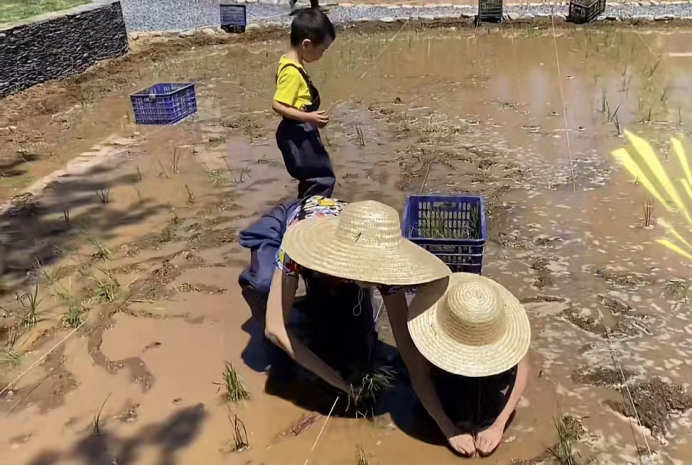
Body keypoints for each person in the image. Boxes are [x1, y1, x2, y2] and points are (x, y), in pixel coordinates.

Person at [245, 197, 451, 394]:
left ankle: (315, 298)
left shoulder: (384, 263)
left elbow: (406, 344)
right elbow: (275, 329)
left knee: (355, 339)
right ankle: (268, 306)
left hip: (349, 234)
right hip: (296, 223)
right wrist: (336, 381)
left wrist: (445, 421)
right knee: (263, 286)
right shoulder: (297, 243)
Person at [390, 273, 532, 457]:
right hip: (444, 377)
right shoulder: (433, 333)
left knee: (490, 392)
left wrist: (498, 425)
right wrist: (448, 428)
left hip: (492, 381)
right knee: (441, 389)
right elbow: (419, 377)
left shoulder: (501, 321)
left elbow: (524, 366)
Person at [272, 9, 336, 199]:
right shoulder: (292, 72)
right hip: (296, 132)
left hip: (299, 128)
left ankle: (307, 211)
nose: (322, 55)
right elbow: (277, 104)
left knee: (314, 177)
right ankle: (311, 218)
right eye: (322, 50)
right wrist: (309, 117)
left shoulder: (290, 61)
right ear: (307, 44)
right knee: (320, 177)